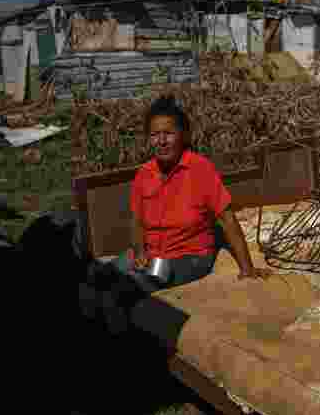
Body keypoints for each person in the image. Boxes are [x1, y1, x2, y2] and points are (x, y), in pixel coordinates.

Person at [100, 96, 270, 331]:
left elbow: (227, 218)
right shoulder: (144, 174)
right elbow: (137, 220)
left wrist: (246, 268)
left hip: (189, 256)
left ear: (183, 135)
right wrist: (139, 251)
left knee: (134, 284)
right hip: (151, 252)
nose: (161, 141)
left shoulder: (200, 169)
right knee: (102, 274)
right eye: (154, 135)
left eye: (168, 133)